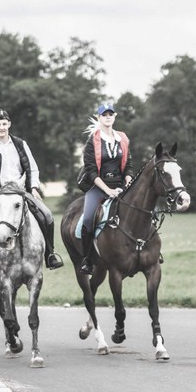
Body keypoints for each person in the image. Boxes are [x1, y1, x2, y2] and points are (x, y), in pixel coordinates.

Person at [0, 109, 63, 284]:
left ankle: (50, 255)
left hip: (21, 191)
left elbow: (33, 169)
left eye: (4, 124)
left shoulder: (21, 144)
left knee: (47, 215)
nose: (1, 127)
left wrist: (34, 187)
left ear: (9, 124)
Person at [78, 102, 133, 275]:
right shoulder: (92, 141)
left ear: (115, 116)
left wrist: (128, 181)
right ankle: (87, 259)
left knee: (143, 210)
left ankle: (148, 251)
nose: (108, 117)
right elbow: (91, 171)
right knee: (87, 219)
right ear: (99, 117)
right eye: (104, 114)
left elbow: (129, 165)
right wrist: (108, 191)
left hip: (121, 186)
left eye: (111, 114)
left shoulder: (123, 138)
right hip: (99, 187)